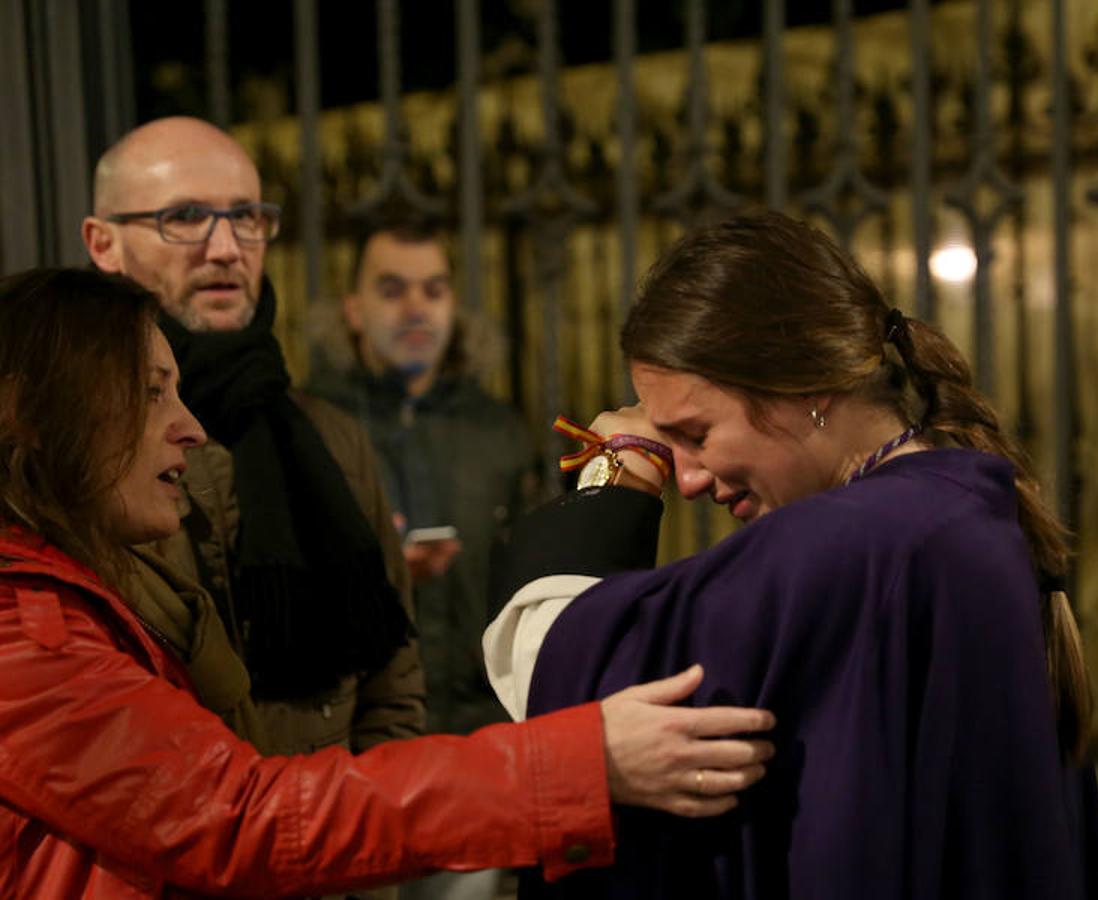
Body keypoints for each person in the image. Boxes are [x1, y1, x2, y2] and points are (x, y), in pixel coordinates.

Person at [0, 267, 775, 898]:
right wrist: (582, 762)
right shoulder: (24, 632)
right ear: (49, 415)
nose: (189, 426)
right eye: (150, 391)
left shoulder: (83, 589)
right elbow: (239, 817)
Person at [484, 212, 1098, 898]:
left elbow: (565, 678)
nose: (687, 478)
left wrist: (621, 473)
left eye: (694, 433)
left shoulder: (854, 544)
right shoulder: (951, 506)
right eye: (668, 446)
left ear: (806, 387)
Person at [81, 116, 426, 761]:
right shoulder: (72, 442)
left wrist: (369, 845)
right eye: (184, 216)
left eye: (247, 217)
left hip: (339, 839)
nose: (225, 248)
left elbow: (393, 681)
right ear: (104, 244)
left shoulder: (329, 436)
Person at [310, 217, 533, 900]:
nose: (415, 308)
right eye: (392, 289)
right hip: (350, 747)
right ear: (354, 311)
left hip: (473, 740)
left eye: (433, 290)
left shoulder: (499, 430)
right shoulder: (311, 425)